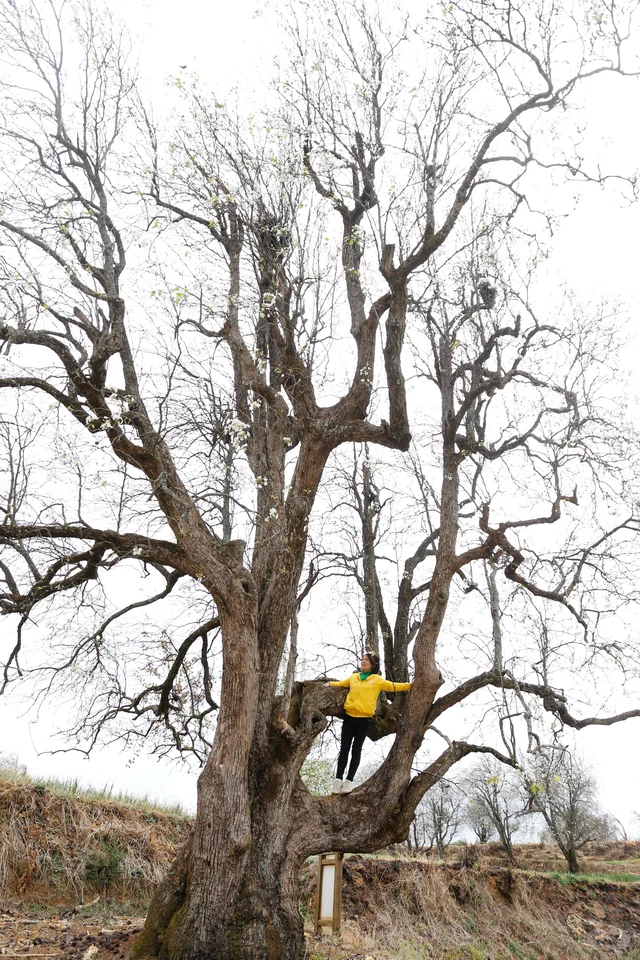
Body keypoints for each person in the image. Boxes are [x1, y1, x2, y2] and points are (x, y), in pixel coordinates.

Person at [327, 652, 413, 795]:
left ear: (373, 664)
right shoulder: (354, 677)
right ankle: (338, 781)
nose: (363, 661)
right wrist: (329, 684)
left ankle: (348, 782)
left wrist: (410, 685)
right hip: (349, 719)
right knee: (344, 749)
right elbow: (341, 683)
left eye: (366, 660)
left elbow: (393, 686)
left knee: (356, 750)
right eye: (362, 659)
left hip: (364, 721)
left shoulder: (377, 680)